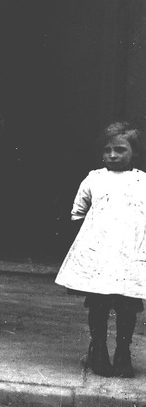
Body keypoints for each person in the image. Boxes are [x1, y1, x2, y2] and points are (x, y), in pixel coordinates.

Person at [56, 120, 146, 378]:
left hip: (130, 255)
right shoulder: (94, 178)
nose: (112, 155)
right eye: (107, 150)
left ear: (135, 152)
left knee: (128, 305)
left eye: (120, 149)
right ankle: (99, 350)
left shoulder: (143, 182)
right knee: (99, 304)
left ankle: (123, 352)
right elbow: (78, 212)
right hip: (101, 256)